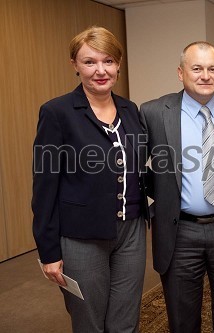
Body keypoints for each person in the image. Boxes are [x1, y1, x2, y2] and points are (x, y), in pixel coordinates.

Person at [32, 26, 149, 332]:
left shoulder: (130, 109)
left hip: (131, 230)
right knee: (90, 322)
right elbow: (45, 186)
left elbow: (135, 167)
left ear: (118, 64)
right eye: (90, 62)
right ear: (74, 65)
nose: (100, 70)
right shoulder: (57, 112)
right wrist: (49, 251)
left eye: (108, 61)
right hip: (81, 235)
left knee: (126, 320)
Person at [140, 41, 214, 333]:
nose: (205, 75)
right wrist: (163, 197)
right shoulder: (153, 112)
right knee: (183, 316)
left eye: (212, 69)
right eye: (196, 68)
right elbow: (136, 167)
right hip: (180, 231)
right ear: (180, 72)